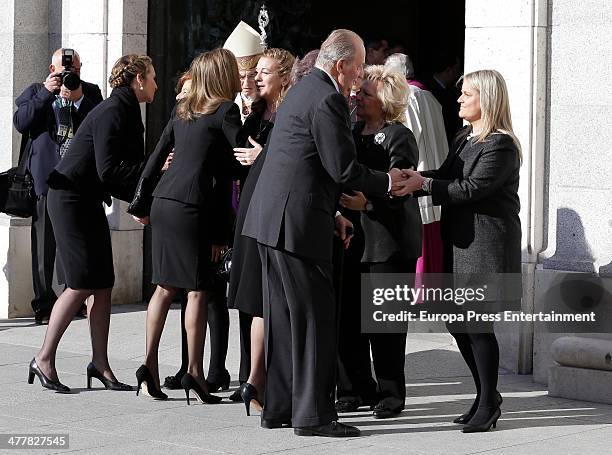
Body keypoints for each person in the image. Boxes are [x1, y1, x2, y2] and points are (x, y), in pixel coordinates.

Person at [241, 29, 408, 438]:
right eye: (357, 67)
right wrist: (388, 181)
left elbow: (304, 163)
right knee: (315, 320)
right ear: (339, 65)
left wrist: (332, 211)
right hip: (297, 227)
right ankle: (314, 415)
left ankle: (278, 408)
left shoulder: (300, 89)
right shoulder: (328, 97)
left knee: (283, 320)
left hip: (273, 222)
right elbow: (343, 169)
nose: (359, 76)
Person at [394, 69, 522, 433]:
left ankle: (488, 401)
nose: (460, 99)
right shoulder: (466, 136)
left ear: (487, 99)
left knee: (479, 325)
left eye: (467, 95)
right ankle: (486, 396)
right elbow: (445, 175)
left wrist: (426, 183)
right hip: (459, 244)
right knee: (457, 321)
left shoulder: (500, 144)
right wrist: (410, 180)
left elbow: (472, 188)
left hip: (484, 247)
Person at [27, 54, 157, 393]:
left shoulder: (123, 108)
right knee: (82, 281)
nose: (157, 84)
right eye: (153, 77)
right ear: (138, 79)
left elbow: (114, 170)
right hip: (68, 198)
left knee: (103, 282)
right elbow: (110, 170)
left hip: (85, 198)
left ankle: (100, 364)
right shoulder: (115, 110)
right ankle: (43, 358)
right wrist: (149, 183)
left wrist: (145, 185)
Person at [130, 48, 245, 404]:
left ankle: (148, 366)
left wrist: (140, 201)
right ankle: (195, 372)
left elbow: (155, 158)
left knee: (164, 287)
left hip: (165, 203)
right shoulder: (226, 111)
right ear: (223, 76)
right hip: (192, 208)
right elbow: (237, 164)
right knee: (196, 289)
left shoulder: (183, 109)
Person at [337, 65, 421, 419]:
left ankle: (390, 394)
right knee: (348, 322)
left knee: (385, 324)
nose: (358, 96)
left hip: (388, 243)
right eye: (359, 91)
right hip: (351, 240)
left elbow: (401, 184)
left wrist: (368, 203)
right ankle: (354, 389)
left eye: (366, 93)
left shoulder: (399, 136)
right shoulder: (351, 131)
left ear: (384, 100)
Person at [227, 48, 295, 416]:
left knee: (269, 298)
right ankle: (253, 378)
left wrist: (262, 155)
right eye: (254, 73)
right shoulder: (255, 113)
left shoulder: (290, 113)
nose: (255, 79)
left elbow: (294, 156)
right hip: (252, 204)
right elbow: (237, 153)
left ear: (285, 76)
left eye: (263, 72)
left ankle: (256, 379)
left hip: (274, 206)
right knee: (256, 297)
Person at [13, 48, 103, 325]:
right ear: (52, 70)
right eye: (64, 71)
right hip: (45, 178)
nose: (69, 75)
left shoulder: (90, 92)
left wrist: (78, 101)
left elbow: (101, 122)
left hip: (79, 179)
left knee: (75, 241)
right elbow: (21, 122)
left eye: (74, 70)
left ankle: (73, 297)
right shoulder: (35, 91)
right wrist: (45, 93)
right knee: (44, 245)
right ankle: (43, 304)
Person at [160, 71, 233, 395]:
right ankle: (190, 366)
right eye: (183, 91)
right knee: (191, 292)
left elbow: (225, 174)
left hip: (215, 213)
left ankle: (216, 369)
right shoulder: (188, 117)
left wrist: (220, 233)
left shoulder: (225, 112)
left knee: (212, 296)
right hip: (193, 210)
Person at [222, 20, 266, 402]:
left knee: (256, 296)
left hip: (255, 207)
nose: (247, 81)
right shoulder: (227, 109)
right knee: (238, 293)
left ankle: (254, 375)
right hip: (232, 206)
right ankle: (241, 374)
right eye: (242, 74)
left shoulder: (265, 111)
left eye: (253, 74)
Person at [385, 53, 448, 275]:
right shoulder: (428, 95)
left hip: (417, 179)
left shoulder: (409, 96)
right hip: (434, 173)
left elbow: (408, 138)